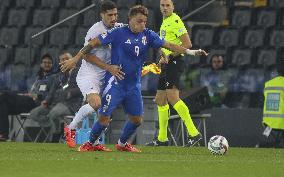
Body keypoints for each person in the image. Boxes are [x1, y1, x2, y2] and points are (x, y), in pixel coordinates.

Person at [60, 5, 207, 152]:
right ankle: (90, 143)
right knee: (104, 118)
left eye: (144, 21)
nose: (142, 24)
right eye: (139, 21)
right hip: (115, 82)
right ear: (130, 20)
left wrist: (191, 52)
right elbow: (92, 44)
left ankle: (122, 144)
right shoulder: (117, 33)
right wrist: (76, 58)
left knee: (137, 120)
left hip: (133, 85)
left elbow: (168, 44)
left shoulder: (147, 34)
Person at [63, 0, 124, 148]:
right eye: (110, 15)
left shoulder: (119, 28)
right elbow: (86, 55)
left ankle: (95, 142)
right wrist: (107, 66)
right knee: (96, 103)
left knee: (103, 113)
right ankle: (70, 128)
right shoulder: (95, 30)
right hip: (89, 74)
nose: (113, 18)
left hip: (107, 76)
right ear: (102, 15)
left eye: (115, 14)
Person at [146, 0, 204, 147]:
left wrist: (170, 56)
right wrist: (162, 58)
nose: (165, 8)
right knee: (160, 99)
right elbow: (168, 44)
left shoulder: (175, 21)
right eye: (162, 5)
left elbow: (187, 44)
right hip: (166, 63)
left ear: (173, 7)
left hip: (175, 62)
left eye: (167, 6)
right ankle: (162, 139)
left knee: (173, 97)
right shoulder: (165, 21)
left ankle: (194, 133)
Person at [0, 54, 55, 141]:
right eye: (44, 62)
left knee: (4, 96)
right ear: (41, 64)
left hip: (37, 104)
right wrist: (29, 94)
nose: (47, 64)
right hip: (28, 100)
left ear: (52, 65)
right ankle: (4, 135)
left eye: (49, 62)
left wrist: (36, 95)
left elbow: (52, 94)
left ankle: (4, 134)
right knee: (2, 106)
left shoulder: (53, 78)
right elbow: (32, 91)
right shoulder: (39, 78)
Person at [29, 52, 82, 142]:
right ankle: (60, 129)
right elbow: (52, 91)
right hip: (55, 103)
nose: (64, 61)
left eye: (66, 58)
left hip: (71, 104)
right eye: (61, 59)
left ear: (72, 60)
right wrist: (46, 101)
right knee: (34, 114)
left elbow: (82, 88)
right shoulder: (59, 76)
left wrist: (70, 93)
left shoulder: (79, 73)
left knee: (53, 114)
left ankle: (55, 136)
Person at [256, 61, 284, 148]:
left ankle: (263, 145)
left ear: (277, 71)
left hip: (268, 124)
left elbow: (261, 102)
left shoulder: (268, 84)